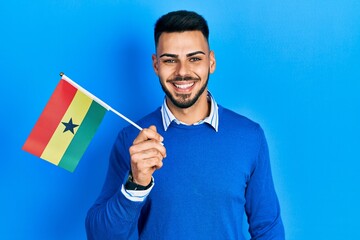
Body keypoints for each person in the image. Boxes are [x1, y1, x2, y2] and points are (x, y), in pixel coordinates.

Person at [86, 10, 285, 240]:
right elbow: (99, 235)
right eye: (170, 60)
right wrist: (136, 185)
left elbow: (268, 229)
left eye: (194, 59)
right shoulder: (132, 140)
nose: (182, 72)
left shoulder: (250, 137)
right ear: (155, 65)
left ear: (211, 62)